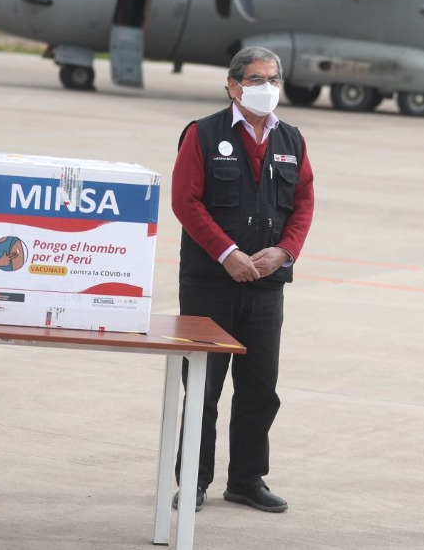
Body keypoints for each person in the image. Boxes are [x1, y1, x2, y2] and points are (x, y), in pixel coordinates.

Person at [170, 47, 314, 514]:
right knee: (204, 388)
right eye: (255, 79)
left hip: (266, 286)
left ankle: (247, 480)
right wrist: (226, 253)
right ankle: (194, 481)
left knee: (259, 389)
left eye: (273, 79)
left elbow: (303, 203)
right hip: (209, 284)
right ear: (233, 86)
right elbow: (185, 202)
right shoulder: (203, 134)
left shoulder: (291, 139)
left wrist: (285, 251)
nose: (266, 88)